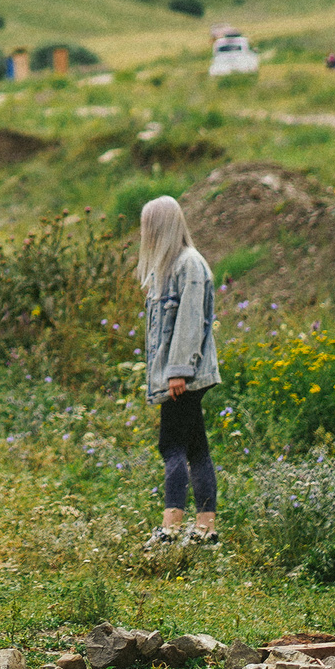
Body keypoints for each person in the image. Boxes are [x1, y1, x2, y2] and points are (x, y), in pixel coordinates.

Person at [137, 194, 220, 548]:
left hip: (184, 378)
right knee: (195, 448)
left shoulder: (189, 265)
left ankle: (171, 528)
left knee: (171, 446)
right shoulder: (165, 269)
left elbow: (189, 323)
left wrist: (178, 373)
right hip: (177, 377)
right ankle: (205, 529)